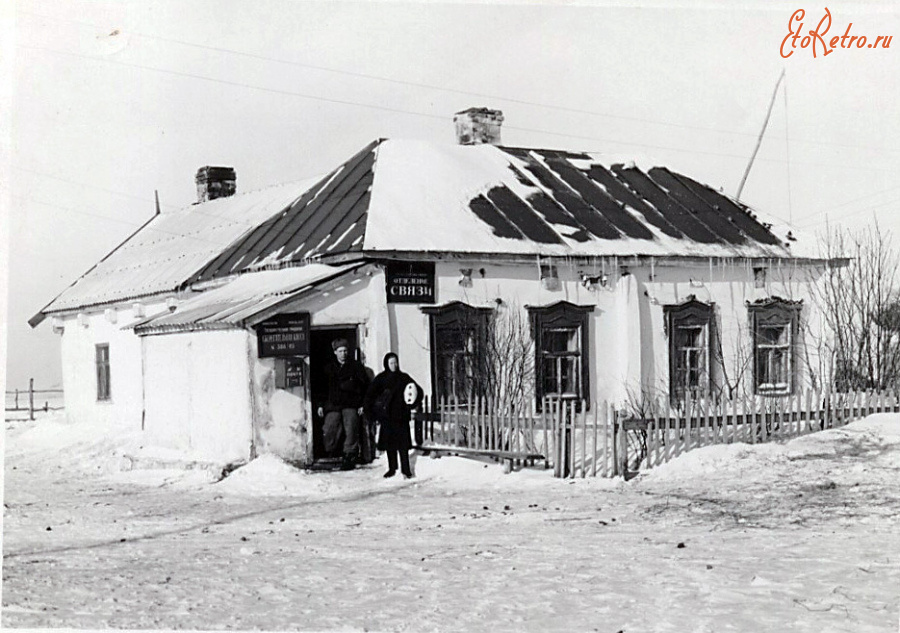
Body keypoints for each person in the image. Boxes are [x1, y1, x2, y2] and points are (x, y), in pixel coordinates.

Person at [364, 352, 424, 479]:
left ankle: (406, 470)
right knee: (389, 445)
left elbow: (417, 391)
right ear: (386, 364)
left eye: (396, 362)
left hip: (401, 416)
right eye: (391, 363)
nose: (394, 365)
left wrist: (411, 403)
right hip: (387, 417)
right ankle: (392, 468)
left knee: (403, 446)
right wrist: (372, 412)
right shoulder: (381, 379)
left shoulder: (404, 378)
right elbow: (370, 395)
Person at [318, 338, 370, 471]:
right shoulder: (328, 368)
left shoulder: (356, 367)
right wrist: (320, 405)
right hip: (333, 404)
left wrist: (362, 404)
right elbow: (321, 388)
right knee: (330, 427)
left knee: (351, 428)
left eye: (345, 351)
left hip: (351, 403)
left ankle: (349, 456)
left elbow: (365, 387)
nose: (343, 354)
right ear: (335, 352)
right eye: (340, 351)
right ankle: (331, 451)